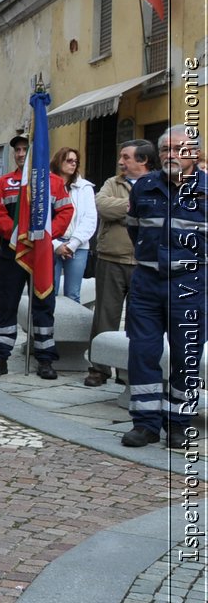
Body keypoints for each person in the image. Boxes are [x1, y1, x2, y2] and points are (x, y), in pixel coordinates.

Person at [123, 126, 203, 450]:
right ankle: (145, 425)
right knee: (141, 353)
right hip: (146, 283)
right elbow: (134, 230)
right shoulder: (143, 187)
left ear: (193, 154)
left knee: (186, 357)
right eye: (167, 149)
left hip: (190, 285)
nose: (172, 155)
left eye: (180, 149)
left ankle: (179, 425)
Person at [0, 134, 73, 379]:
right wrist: (17, 234)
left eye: (26, 149)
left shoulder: (54, 183)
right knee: (7, 304)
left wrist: (45, 236)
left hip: (42, 254)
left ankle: (45, 359)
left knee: (44, 305)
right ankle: (0, 357)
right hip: (12, 252)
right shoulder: (4, 183)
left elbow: (65, 211)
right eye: (18, 150)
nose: (21, 154)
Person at [84, 139, 156, 387]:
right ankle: (98, 368)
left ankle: (127, 370)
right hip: (110, 259)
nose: (120, 162)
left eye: (126, 157)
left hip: (144, 264)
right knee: (105, 316)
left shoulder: (158, 184)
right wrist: (136, 207)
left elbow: (158, 213)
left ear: (143, 160)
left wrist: (126, 211)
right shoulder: (111, 183)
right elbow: (102, 206)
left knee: (140, 321)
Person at [51, 146, 97, 300]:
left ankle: (72, 324)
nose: (73, 164)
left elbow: (90, 218)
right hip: (51, 244)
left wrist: (73, 244)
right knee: (50, 292)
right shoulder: (47, 185)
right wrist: (56, 244)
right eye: (69, 160)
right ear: (59, 161)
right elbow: (43, 218)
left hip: (78, 246)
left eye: (76, 162)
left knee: (73, 294)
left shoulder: (85, 187)